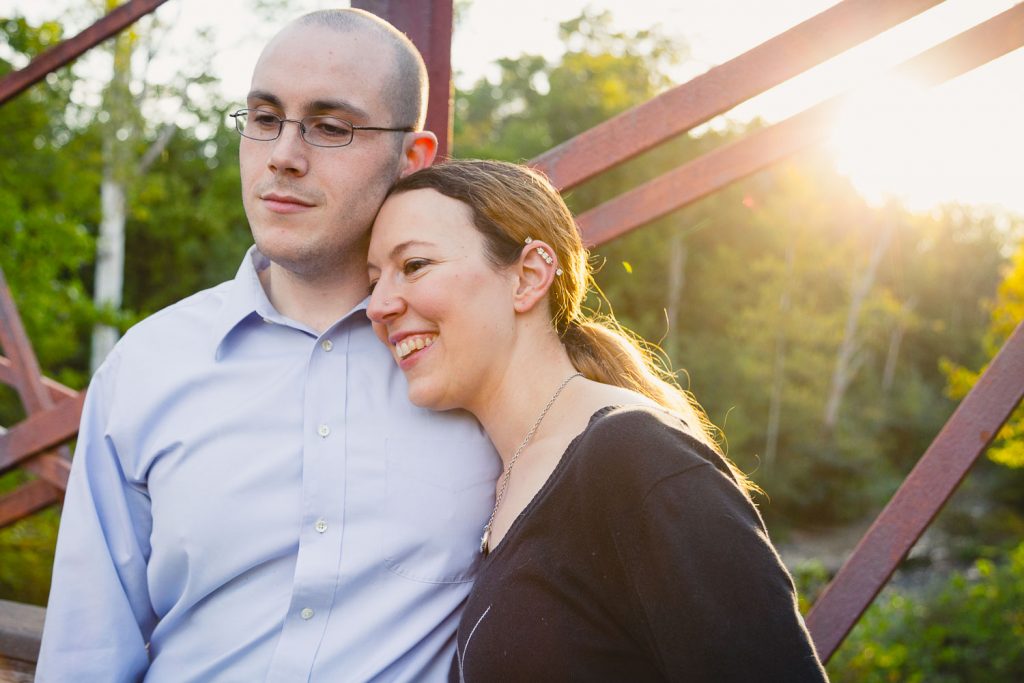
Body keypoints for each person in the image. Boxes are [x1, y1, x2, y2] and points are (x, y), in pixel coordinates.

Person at [37, 10, 498, 682]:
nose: (283, 153)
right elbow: (87, 654)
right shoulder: (146, 368)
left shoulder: (480, 365)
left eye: (330, 126)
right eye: (263, 117)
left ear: (413, 158)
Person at [366, 159, 829, 682]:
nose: (379, 305)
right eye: (373, 279)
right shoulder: (510, 479)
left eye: (415, 265)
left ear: (528, 276)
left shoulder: (636, 455)